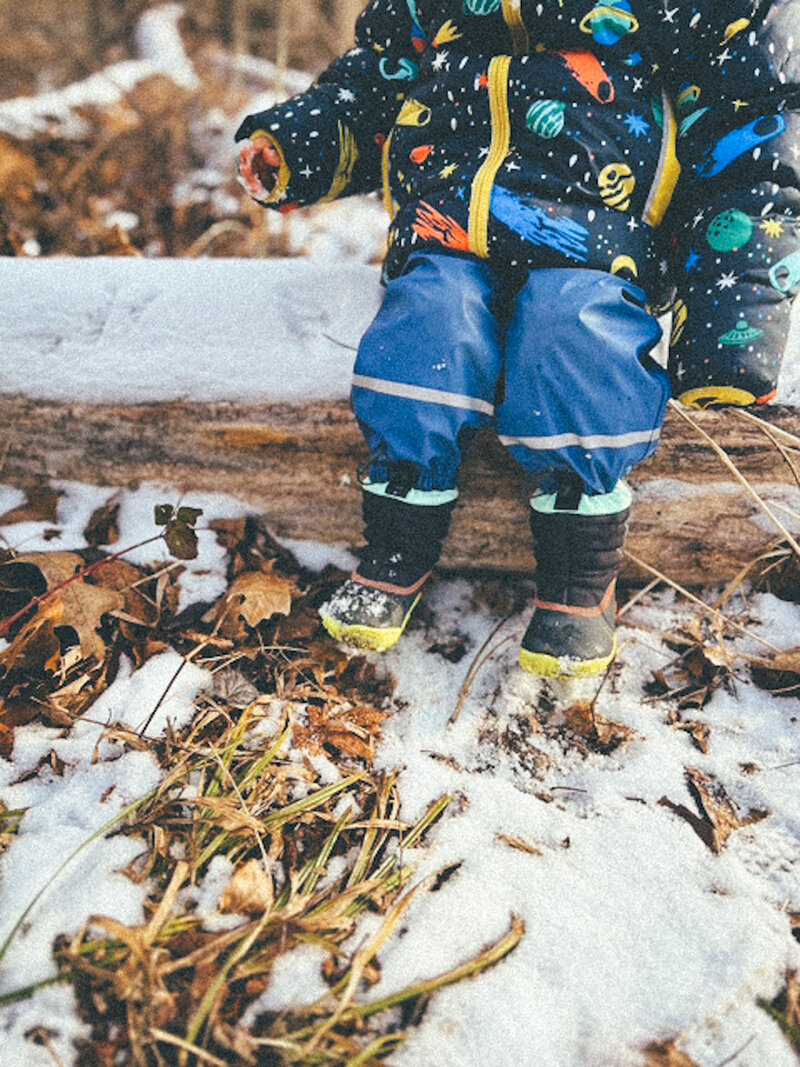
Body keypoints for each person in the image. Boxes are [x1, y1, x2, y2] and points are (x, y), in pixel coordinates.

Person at [236, 1, 800, 678]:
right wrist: (301, 145)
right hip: (449, 230)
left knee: (574, 341)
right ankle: (397, 539)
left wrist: (729, 327)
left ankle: (578, 571)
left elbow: (753, 139)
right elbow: (376, 84)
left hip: (597, 246)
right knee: (424, 330)